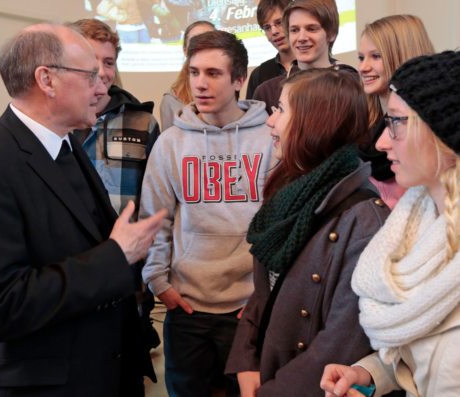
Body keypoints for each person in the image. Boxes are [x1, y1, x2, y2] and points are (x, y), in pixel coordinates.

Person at [0, 23, 167, 397]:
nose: (103, 85)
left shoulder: (66, 144)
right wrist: (116, 256)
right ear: (47, 80)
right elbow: (0, 306)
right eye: (91, 74)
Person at [225, 68, 390, 396]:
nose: (270, 122)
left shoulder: (364, 221)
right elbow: (263, 292)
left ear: (315, 122)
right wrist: (246, 359)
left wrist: (268, 393)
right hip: (268, 372)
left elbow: (340, 343)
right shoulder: (289, 192)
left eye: (281, 110)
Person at [140, 30, 275, 397]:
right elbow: (156, 218)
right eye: (195, 72)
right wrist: (159, 284)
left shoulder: (268, 138)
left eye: (213, 73)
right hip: (187, 306)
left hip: (249, 306)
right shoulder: (172, 142)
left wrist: (266, 295)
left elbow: (281, 223)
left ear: (239, 80)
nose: (200, 83)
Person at [321, 50, 460, 397]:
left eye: (396, 122)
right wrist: (367, 374)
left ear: (444, 135)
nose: (382, 142)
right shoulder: (419, 218)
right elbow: (421, 356)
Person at [69, 18, 161, 351]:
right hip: (69, 273)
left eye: (109, 62)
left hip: (125, 272)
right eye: (92, 61)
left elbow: (155, 203)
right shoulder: (55, 124)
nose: (103, 72)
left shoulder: (142, 121)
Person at [357, 14, 435, 209]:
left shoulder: (429, 130)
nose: (363, 67)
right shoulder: (365, 123)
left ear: (402, 55)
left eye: (375, 56)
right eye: (361, 58)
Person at [253, 0, 356, 114]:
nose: (301, 37)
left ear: (331, 33)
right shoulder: (267, 92)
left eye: (311, 29)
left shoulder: (353, 84)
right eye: (294, 30)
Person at [159, 20, 215, 131]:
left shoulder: (229, 88)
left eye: (210, 40)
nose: (202, 47)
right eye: (195, 41)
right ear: (185, 50)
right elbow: (170, 146)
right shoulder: (171, 101)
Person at [246, 0, 294, 99]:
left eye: (279, 22)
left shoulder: (314, 65)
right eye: (267, 27)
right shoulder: (259, 75)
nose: (274, 31)